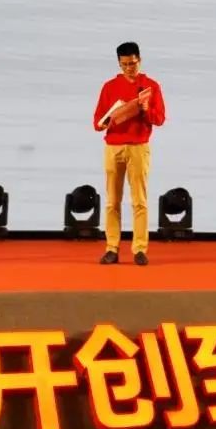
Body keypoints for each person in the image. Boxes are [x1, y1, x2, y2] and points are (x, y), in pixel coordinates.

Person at [92, 42, 166, 266]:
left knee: (139, 201)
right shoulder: (109, 86)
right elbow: (97, 122)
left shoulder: (151, 86)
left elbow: (160, 119)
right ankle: (111, 248)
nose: (128, 68)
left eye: (132, 64)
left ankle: (140, 248)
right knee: (112, 201)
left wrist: (145, 110)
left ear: (139, 60)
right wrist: (106, 121)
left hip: (138, 146)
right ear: (119, 63)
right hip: (114, 146)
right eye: (124, 64)